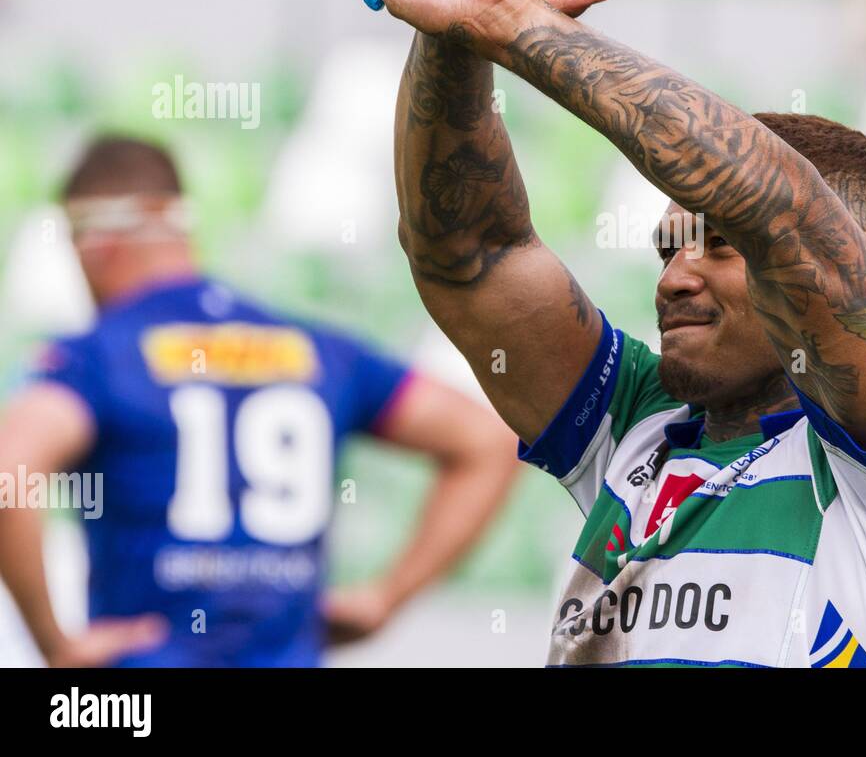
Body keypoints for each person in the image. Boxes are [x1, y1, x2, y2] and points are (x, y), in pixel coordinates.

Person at [352, 0, 866, 667]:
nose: (674, 278)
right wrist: (454, 37)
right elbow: (467, 254)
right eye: (668, 249)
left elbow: (781, 205)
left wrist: (515, 20)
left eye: (721, 246)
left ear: (859, 268)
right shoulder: (636, 420)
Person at [0, 136, 518, 666]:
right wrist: (385, 597)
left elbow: (10, 471)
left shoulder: (98, 358)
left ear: (96, 244)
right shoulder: (319, 350)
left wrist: (53, 642)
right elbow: (488, 440)